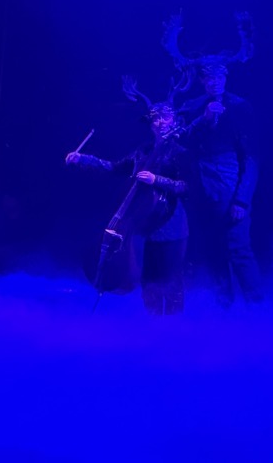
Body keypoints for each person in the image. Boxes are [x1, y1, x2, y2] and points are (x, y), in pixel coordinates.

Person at [66, 88, 194, 315]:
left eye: (164, 118)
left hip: (171, 223)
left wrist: (157, 179)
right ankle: (153, 327)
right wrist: (82, 159)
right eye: (155, 119)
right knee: (150, 281)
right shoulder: (142, 151)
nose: (160, 122)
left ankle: (174, 330)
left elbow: (186, 186)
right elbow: (113, 167)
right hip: (146, 224)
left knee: (171, 279)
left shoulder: (179, 152)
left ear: (173, 120)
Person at [178, 57, 262, 305]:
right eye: (209, 78)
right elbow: (180, 142)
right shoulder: (192, 106)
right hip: (200, 191)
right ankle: (224, 308)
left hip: (229, 186)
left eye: (219, 77)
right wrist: (203, 119)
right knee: (213, 250)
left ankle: (257, 308)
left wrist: (242, 200)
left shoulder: (240, 107)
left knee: (239, 250)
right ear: (202, 80)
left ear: (226, 79)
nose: (215, 83)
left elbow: (252, 157)